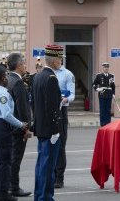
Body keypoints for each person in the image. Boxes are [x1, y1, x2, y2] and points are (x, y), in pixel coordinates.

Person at [0, 64, 29, 201]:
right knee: (4, 162)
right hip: (1, 126)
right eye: (5, 75)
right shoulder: (3, 93)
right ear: (1, 78)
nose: (7, 77)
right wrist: (21, 124)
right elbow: (6, 115)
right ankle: (3, 194)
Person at [32, 45, 62, 201]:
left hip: (41, 127)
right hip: (50, 130)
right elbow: (51, 108)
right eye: (60, 58)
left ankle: (39, 196)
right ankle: (45, 197)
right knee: (48, 167)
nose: (61, 61)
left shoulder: (37, 76)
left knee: (41, 166)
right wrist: (56, 130)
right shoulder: (51, 78)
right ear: (55, 60)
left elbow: (36, 105)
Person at [6, 53, 33, 197]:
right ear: (18, 65)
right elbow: (23, 108)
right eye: (23, 63)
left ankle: (10, 185)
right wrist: (26, 127)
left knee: (11, 158)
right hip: (18, 127)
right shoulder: (17, 82)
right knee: (16, 158)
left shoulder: (8, 79)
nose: (25, 65)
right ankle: (14, 187)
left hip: (10, 125)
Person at [54, 57, 75, 189]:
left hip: (61, 110)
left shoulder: (67, 74)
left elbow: (72, 94)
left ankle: (59, 178)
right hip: (48, 111)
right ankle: (50, 174)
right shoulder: (46, 72)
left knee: (60, 145)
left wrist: (65, 99)